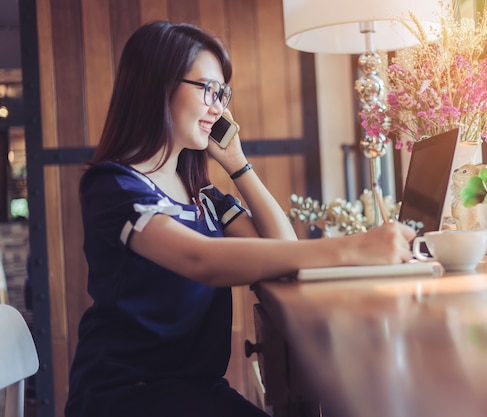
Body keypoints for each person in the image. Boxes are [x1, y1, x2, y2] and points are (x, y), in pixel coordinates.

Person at [64, 20, 416, 417]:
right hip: (130, 396)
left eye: (222, 93)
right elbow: (201, 261)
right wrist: (354, 247)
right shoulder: (115, 186)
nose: (219, 108)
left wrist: (238, 164)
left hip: (195, 392)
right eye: (208, 90)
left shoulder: (202, 194)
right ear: (158, 86)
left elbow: (283, 250)